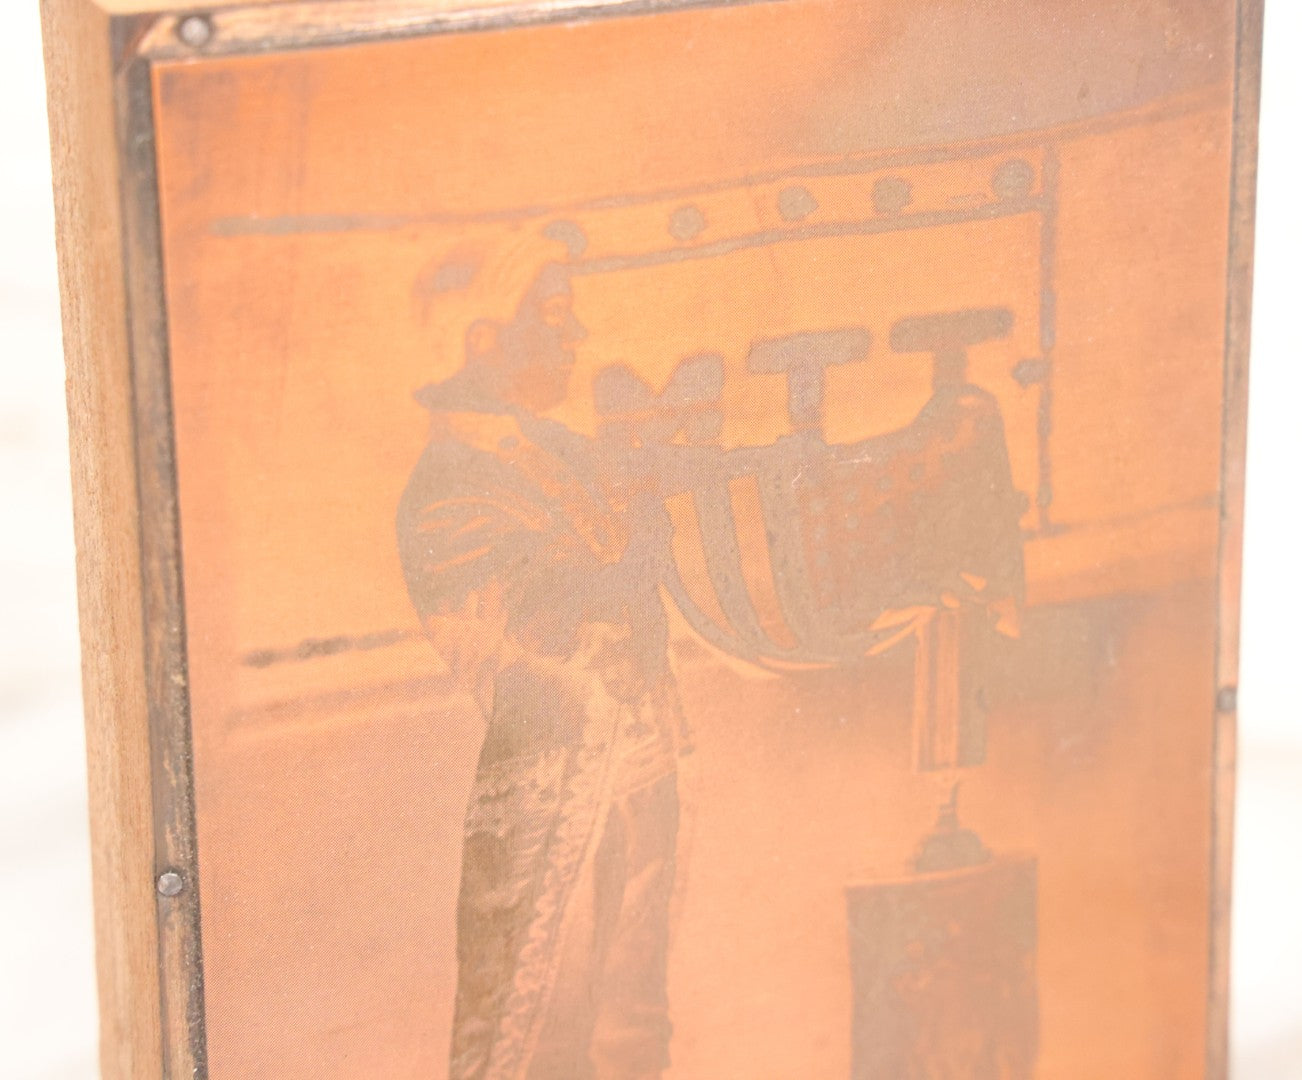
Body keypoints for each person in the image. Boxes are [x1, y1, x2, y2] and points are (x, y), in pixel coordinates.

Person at [396, 230, 687, 1080]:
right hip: (549, 797)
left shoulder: (558, 451)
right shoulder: (447, 486)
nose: (576, 335)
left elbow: (642, 560)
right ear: (482, 340)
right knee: (544, 1027)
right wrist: (634, 559)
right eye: (554, 314)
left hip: (640, 770)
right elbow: (545, 618)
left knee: (636, 1019)